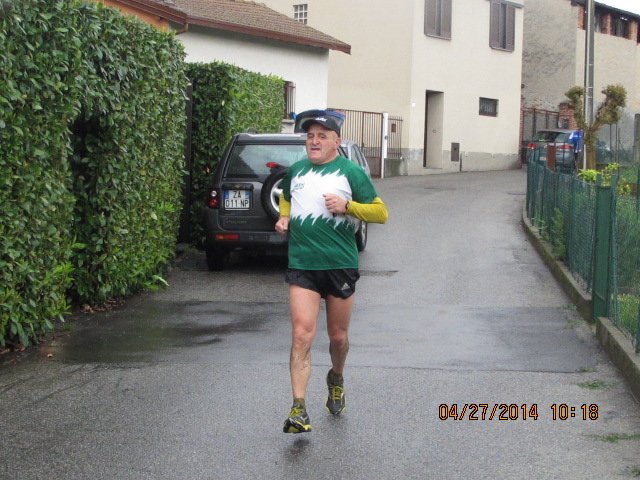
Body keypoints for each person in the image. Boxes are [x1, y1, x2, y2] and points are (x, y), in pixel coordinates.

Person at [275, 109, 388, 433]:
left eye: (322, 136)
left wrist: (347, 206)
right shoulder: (296, 171)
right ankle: (298, 409)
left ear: (336, 142)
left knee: (338, 337)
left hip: (340, 264)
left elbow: (381, 213)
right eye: (310, 136)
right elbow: (286, 197)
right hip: (303, 264)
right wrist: (284, 217)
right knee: (301, 334)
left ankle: (336, 376)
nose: (314, 141)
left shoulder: (351, 173)